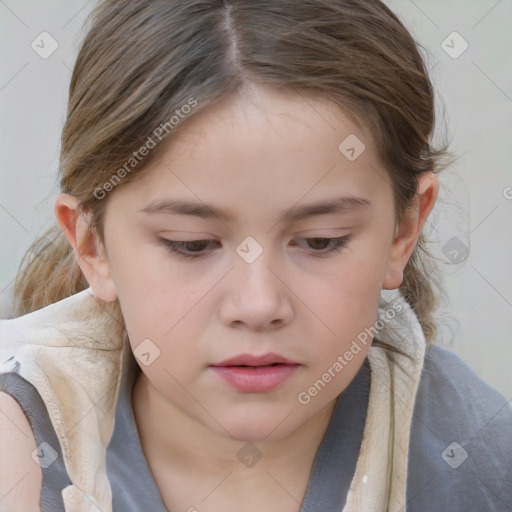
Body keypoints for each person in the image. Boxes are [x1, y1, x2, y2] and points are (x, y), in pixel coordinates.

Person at [0, 1, 510, 511]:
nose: (258, 303)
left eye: (321, 241)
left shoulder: (475, 459)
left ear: (404, 230)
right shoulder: (19, 455)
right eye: (192, 244)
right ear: (93, 245)